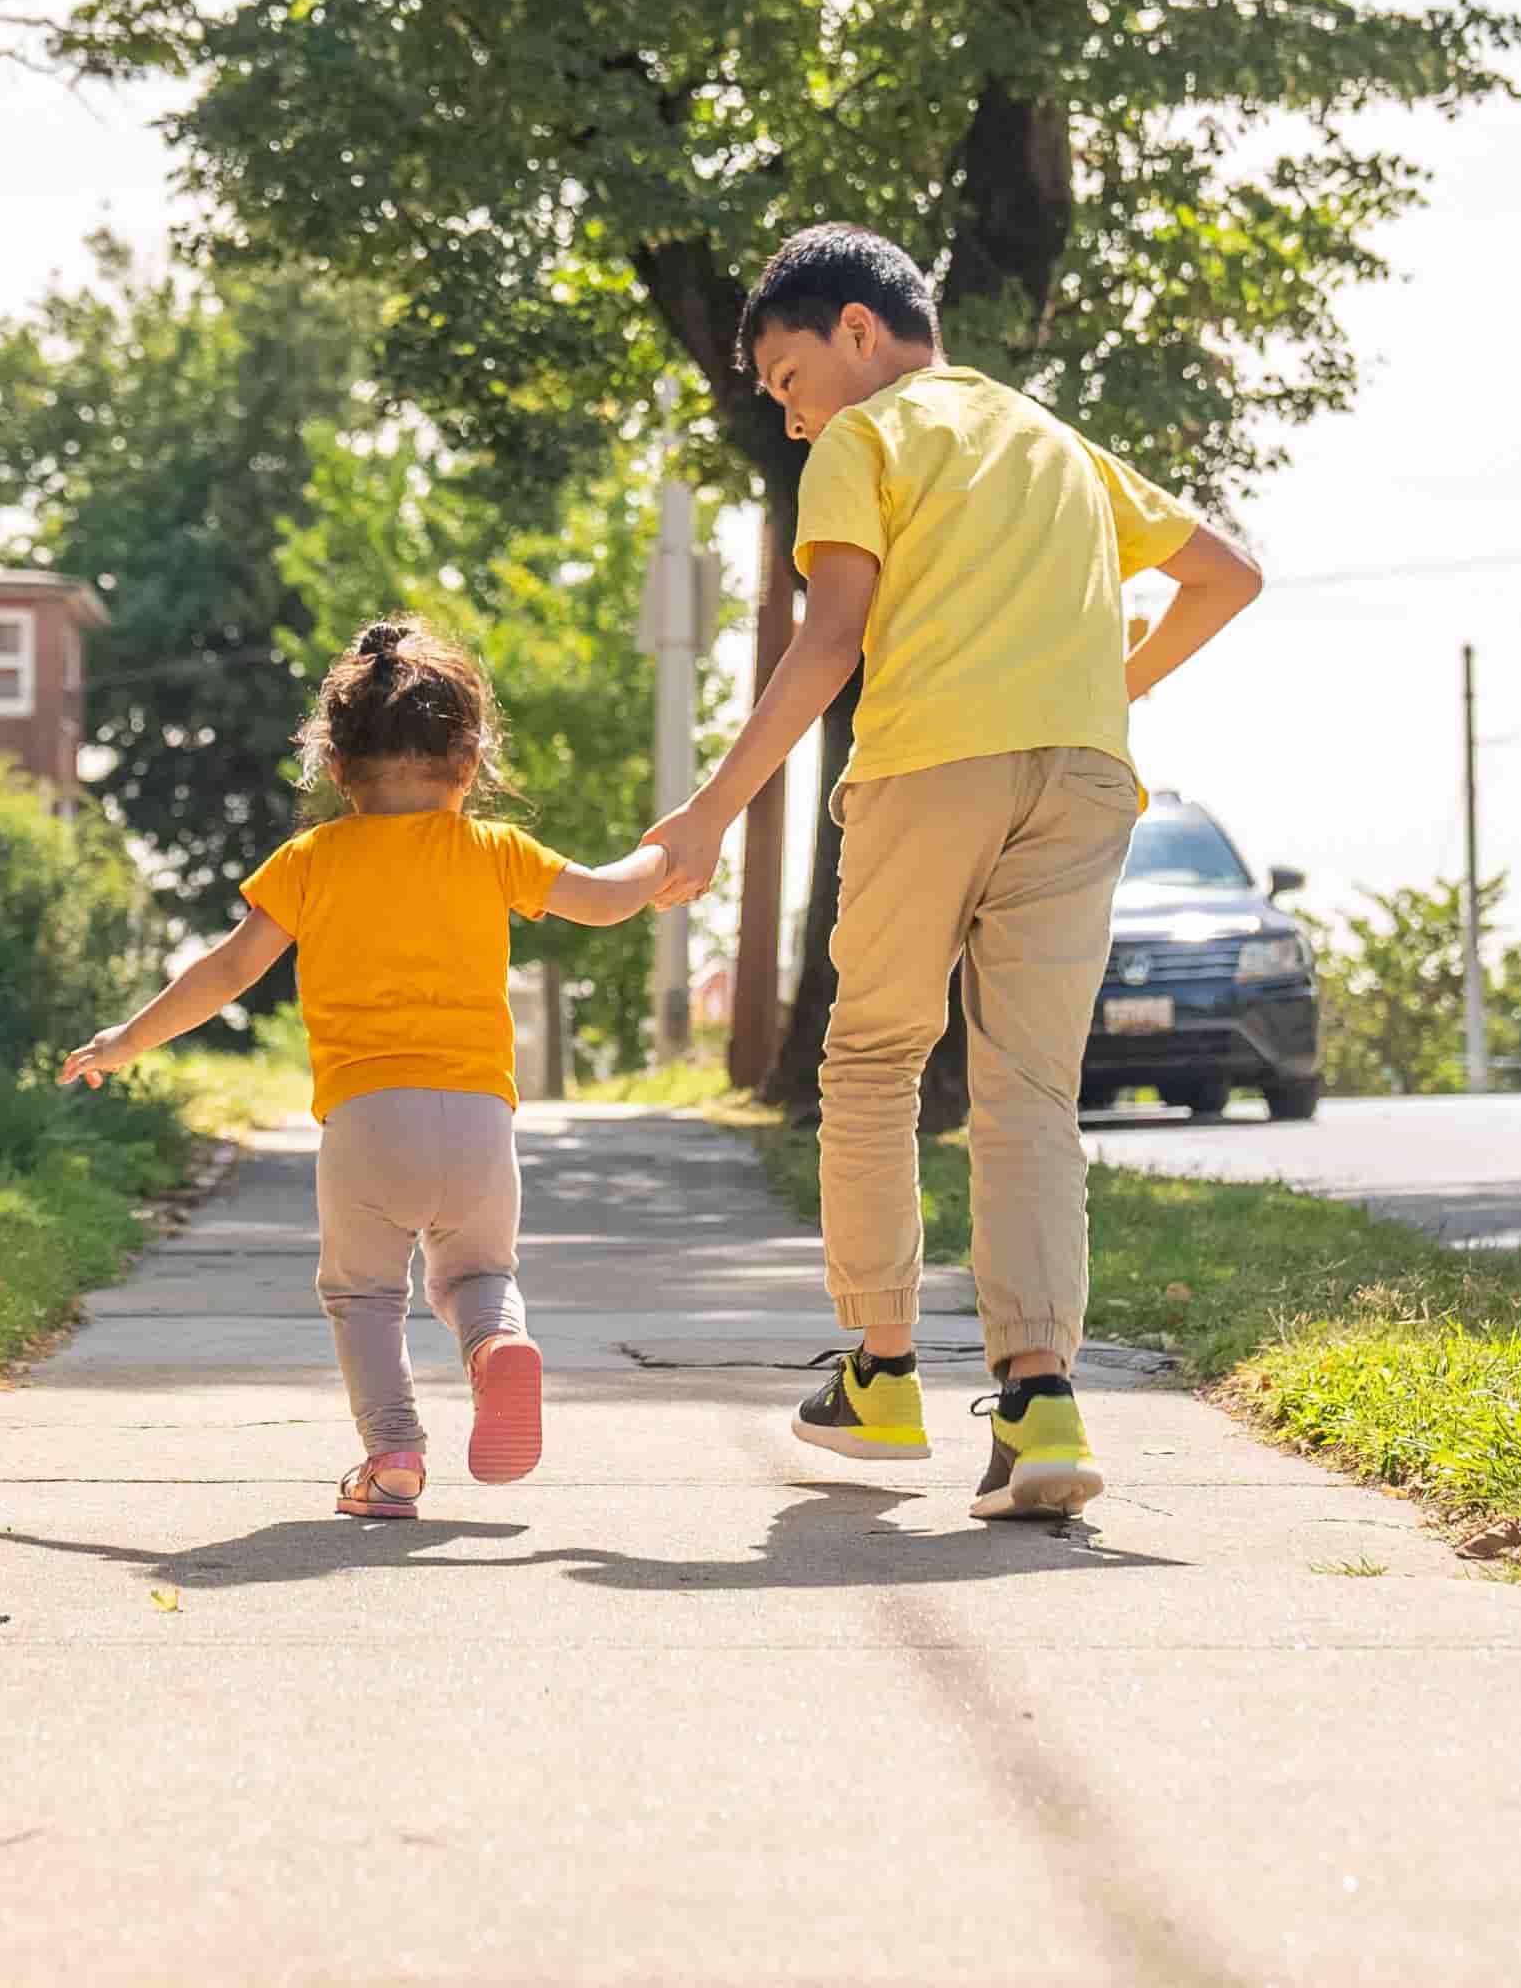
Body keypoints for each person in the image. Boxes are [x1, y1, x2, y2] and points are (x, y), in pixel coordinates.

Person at [645, 225, 1267, 1519]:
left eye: (786, 378)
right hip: (1085, 774)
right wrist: (1114, 685)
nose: (792, 415)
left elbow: (830, 644)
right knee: (1029, 1091)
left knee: (872, 1060)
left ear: (858, 332)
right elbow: (1228, 574)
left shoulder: (868, 444)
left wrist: (707, 814)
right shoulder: (1057, 443)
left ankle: (880, 1375)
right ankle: (1042, 1407)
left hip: (933, 766)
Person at [66, 619, 671, 1518]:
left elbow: (226, 971)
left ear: (338, 771)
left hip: (366, 1124)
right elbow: (608, 897)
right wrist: (668, 856)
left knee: (362, 1293)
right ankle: (498, 1343)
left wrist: (126, 1040)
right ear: (469, 764)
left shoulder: (312, 861)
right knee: (476, 1275)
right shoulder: (495, 851)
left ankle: (393, 1461)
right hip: (478, 1125)